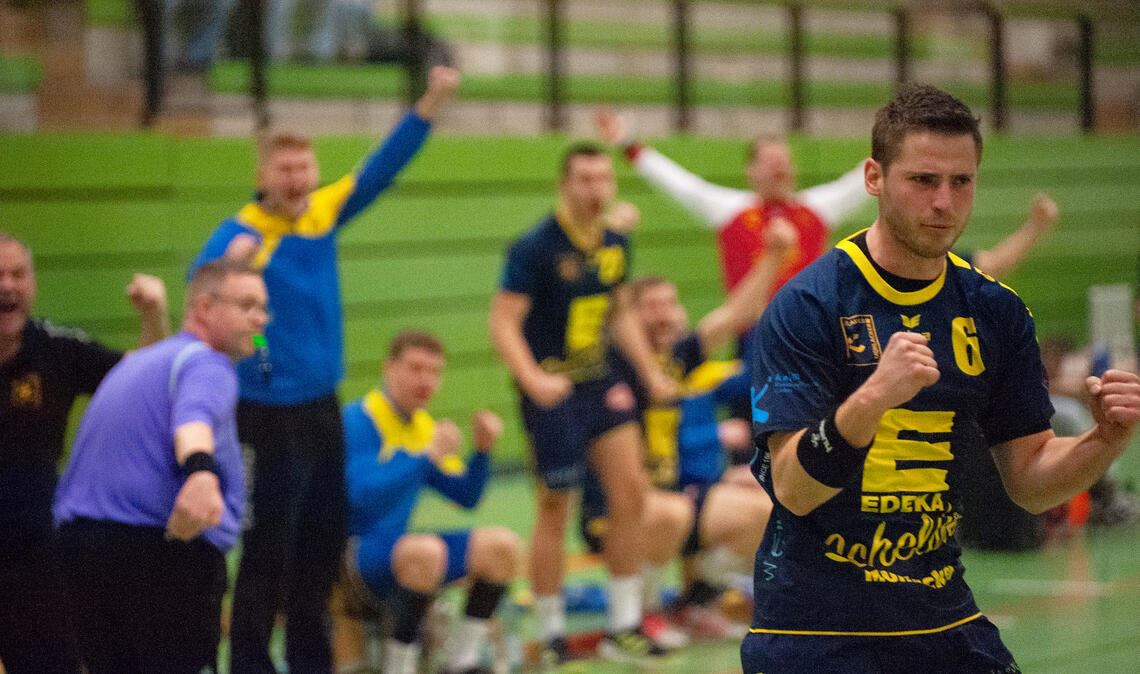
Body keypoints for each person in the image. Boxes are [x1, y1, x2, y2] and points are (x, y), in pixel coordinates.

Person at [741, 83, 1140, 672]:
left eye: (962, 182)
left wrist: (1104, 440)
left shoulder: (995, 312)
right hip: (814, 627)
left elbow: (1030, 481)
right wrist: (874, 396)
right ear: (875, 177)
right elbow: (795, 489)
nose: (944, 203)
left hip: (940, 616)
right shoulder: (809, 304)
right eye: (923, 181)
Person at [189, 65, 460, 674]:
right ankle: (252, 666)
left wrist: (431, 102)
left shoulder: (322, 213)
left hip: (320, 409)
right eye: (285, 170)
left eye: (305, 168)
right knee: (266, 553)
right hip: (262, 411)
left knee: (319, 550)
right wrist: (226, 267)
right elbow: (198, 294)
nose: (297, 179)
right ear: (262, 177)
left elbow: (380, 168)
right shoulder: (241, 235)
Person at [489, 142, 677, 663]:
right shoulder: (535, 248)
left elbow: (619, 315)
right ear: (564, 186)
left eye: (603, 180)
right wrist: (531, 379)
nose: (596, 191)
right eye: (585, 180)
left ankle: (624, 624)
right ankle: (548, 632)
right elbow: (502, 323)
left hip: (600, 384)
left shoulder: (616, 242)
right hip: (551, 389)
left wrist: (648, 373)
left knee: (632, 493)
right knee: (556, 507)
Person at [576, 224, 792, 644]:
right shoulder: (612, 367)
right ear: (629, 319)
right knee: (671, 510)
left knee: (765, 511)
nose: (664, 313)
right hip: (614, 510)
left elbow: (734, 315)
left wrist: (773, 257)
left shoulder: (676, 359)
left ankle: (694, 600)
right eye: (651, 306)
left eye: (670, 304)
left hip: (673, 496)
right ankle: (643, 614)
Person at [53, 259, 268, 674]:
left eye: (263, 308)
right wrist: (201, 472)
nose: (259, 319)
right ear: (205, 308)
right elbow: (192, 422)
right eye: (247, 305)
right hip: (160, 557)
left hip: (81, 554)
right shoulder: (209, 365)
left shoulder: (142, 362)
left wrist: (153, 314)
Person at [0, 233, 168, 674]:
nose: (8, 286)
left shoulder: (55, 348)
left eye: (18, 274)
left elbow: (143, 380)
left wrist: (153, 315)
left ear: (33, 283)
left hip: (38, 544)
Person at [334, 330, 520, 674]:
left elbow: (465, 497)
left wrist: (482, 450)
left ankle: (461, 662)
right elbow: (360, 498)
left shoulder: (422, 427)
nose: (426, 380)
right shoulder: (359, 419)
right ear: (390, 368)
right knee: (425, 551)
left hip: (400, 552)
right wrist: (425, 456)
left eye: (434, 372)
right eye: (416, 369)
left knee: (502, 546)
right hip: (351, 554)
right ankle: (398, 667)